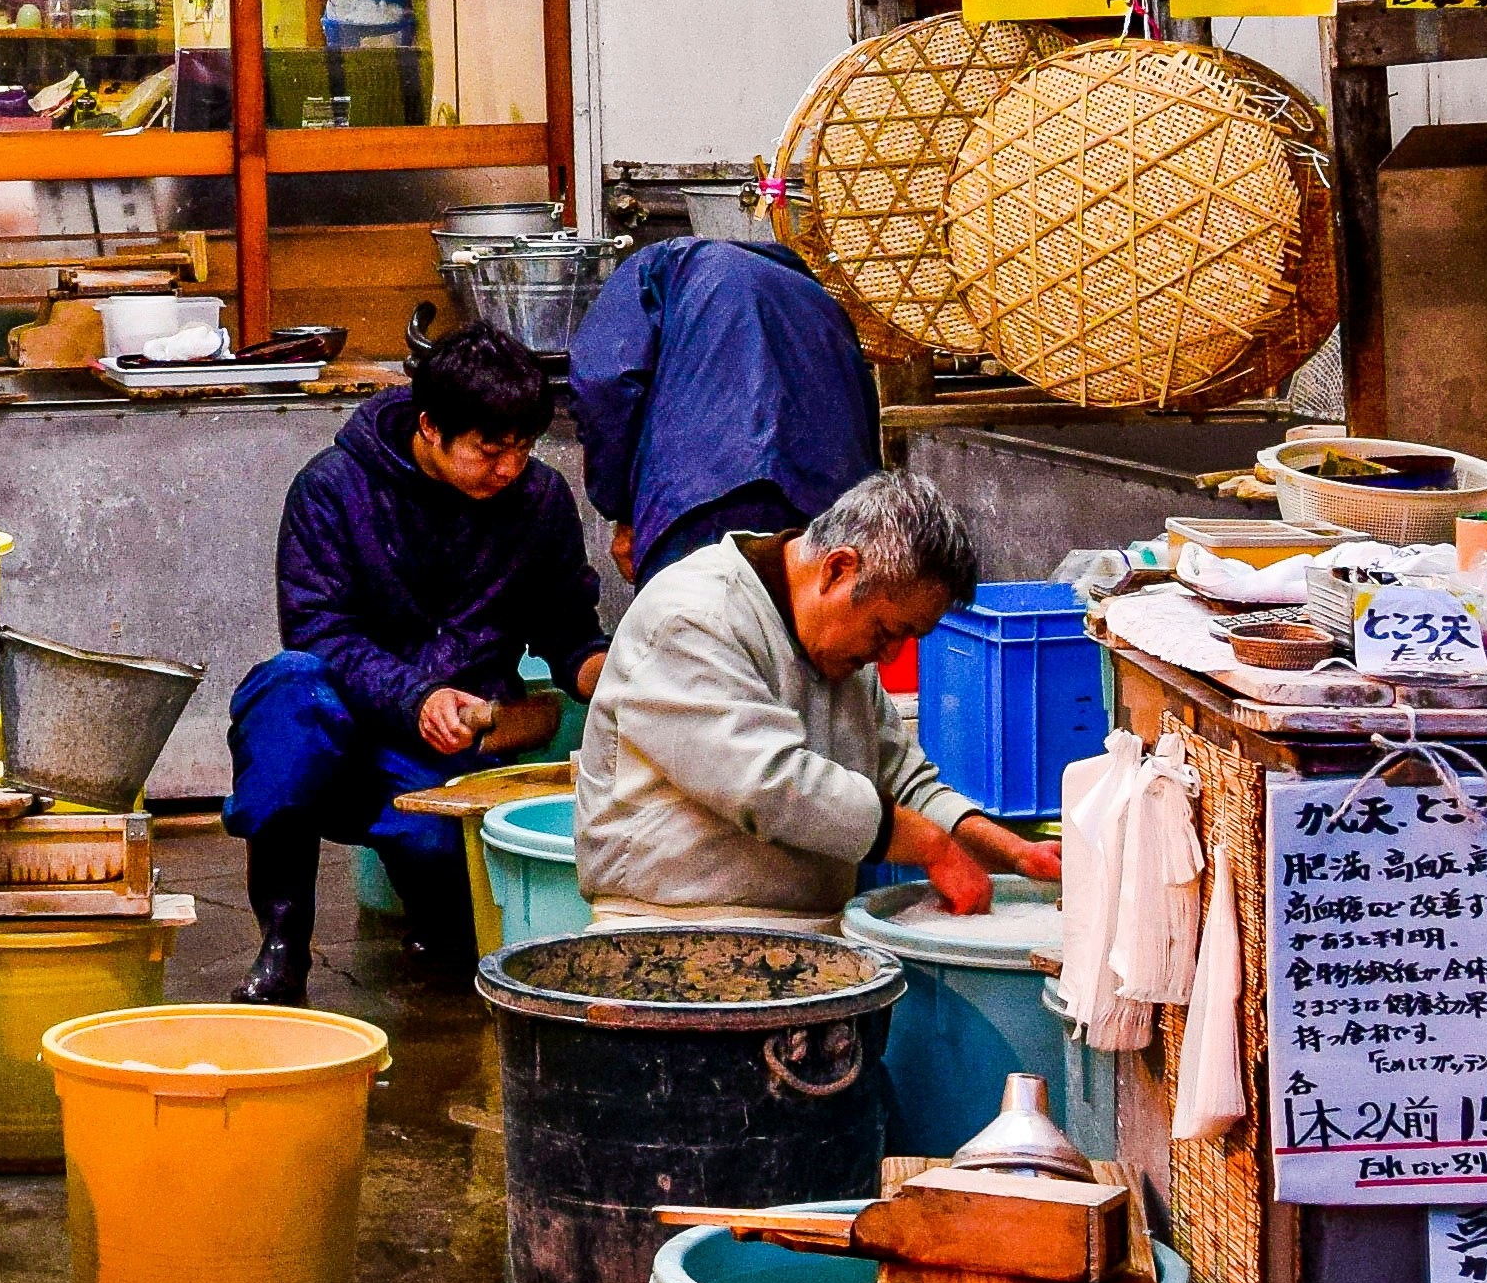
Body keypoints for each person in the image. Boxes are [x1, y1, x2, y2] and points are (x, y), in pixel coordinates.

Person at [229, 324, 604, 1002]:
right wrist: (417, 696)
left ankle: (439, 926)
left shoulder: (539, 501)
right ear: (430, 426)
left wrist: (606, 671)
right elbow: (320, 630)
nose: (510, 467)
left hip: (452, 748)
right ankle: (283, 944)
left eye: (524, 447)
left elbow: (567, 628)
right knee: (286, 692)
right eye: (490, 449)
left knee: (451, 929)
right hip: (342, 726)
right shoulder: (332, 488)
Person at [572, 466, 1054, 923]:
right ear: (838, 569)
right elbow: (766, 784)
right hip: (671, 928)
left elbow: (902, 782)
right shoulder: (691, 616)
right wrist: (929, 845)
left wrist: (1014, 852)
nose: (889, 656)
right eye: (887, 631)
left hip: (810, 930)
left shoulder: (842, 650)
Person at [564, 229, 881, 584]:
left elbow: (604, 383)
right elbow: (865, 416)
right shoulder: (818, 299)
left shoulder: (660, 265)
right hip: (829, 516)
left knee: (690, 631)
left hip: (698, 503)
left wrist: (621, 509)